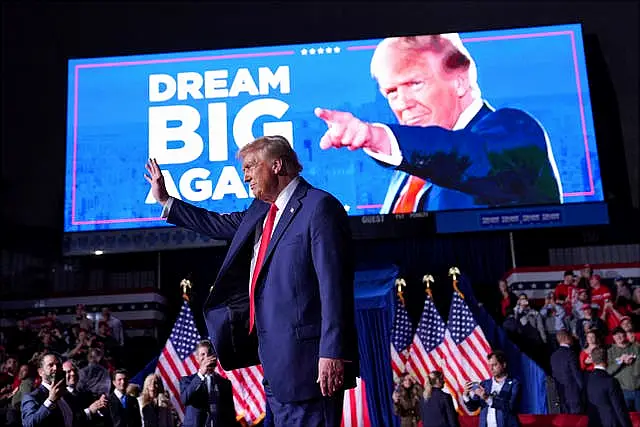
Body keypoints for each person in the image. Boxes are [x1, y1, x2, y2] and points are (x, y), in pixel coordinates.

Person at [145, 135, 359, 426]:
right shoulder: (260, 212)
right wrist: (167, 201)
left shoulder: (319, 207)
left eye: (250, 167)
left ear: (277, 165)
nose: (244, 176)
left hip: (311, 365)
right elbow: (217, 224)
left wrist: (333, 352)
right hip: (274, 366)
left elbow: (334, 286)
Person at [314, 34, 562, 213]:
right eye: (391, 92)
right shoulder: (408, 168)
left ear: (460, 81)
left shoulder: (515, 128)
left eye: (415, 84)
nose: (402, 103)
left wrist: (376, 136)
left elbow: (467, 157)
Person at [179, 340, 237, 427]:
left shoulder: (225, 384)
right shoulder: (187, 381)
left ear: (214, 357)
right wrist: (201, 374)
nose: (206, 357)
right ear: (197, 358)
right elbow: (185, 399)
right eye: (203, 354)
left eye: (209, 353)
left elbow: (230, 415)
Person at [463, 350, 520, 427]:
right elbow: (473, 408)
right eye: (489, 365)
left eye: (494, 365)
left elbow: (510, 407)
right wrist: (466, 395)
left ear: (503, 364)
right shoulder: (484, 384)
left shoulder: (514, 384)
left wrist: (487, 398)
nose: (491, 368)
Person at [586, 347, 632, 427]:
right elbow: (619, 409)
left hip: (593, 422)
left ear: (593, 360)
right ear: (607, 359)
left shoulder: (587, 378)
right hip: (610, 423)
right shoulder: (611, 382)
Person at [62, 360, 109, 425]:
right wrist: (89, 410)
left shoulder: (86, 394)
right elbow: (69, 420)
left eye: (75, 370)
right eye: (68, 371)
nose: (73, 373)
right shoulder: (60, 396)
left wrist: (100, 408)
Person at [550, 330, 583, 414]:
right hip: (574, 392)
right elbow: (576, 373)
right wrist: (583, 388)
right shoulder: (571, 353)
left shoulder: (553, 356)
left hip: (561, 393)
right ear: (567, 338)